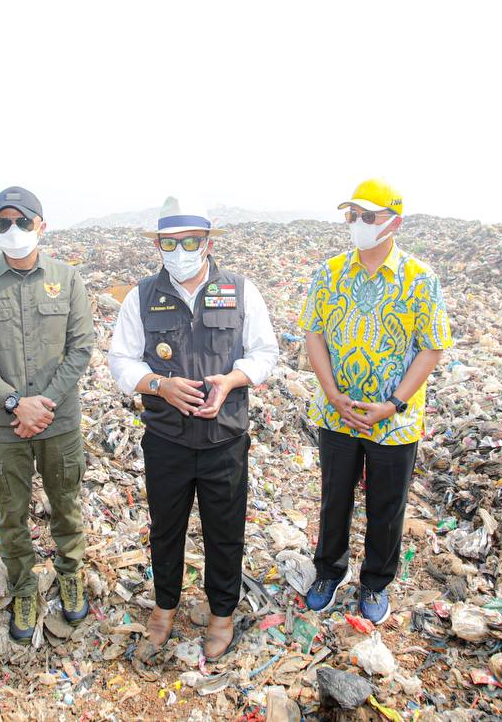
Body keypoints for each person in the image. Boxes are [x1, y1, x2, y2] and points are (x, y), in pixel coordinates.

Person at [108, 197, 278, 661]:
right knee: (166, 528)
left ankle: (221, 615)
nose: (180, 250)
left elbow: (265, 353)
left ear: (206, 243)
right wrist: (159, 385)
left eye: (190, 241)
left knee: (225, 530)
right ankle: (164, 609)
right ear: (158, 245)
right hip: (166, 440)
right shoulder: (142, 296)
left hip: (225, 438)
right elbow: (120, 359)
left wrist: (232, 380)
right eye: (170, 242)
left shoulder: (241, 291)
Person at [298, 178, 452, 624]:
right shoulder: (329, 273)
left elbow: (431, 345)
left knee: (387, 505)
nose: (359, 224)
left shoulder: (419, 278)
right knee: (334, 498)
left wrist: (395, 403)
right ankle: (329, 571)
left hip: (394, 422)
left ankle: (376, 582)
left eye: (369, 216)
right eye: (353, 216)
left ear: (395, 222)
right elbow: (314, 332)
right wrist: (331, 393)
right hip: (338, 414)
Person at [0, 186, 96, 642]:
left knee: (66, 505)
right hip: (4, 425)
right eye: (3, 223)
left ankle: (70, 574)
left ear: (42, 225)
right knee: (11, 513)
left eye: (23, 222)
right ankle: (23, 586)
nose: (14, 231)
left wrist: (43, 404)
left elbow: (81, 349)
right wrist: (16, 403)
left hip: (59, 422)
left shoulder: (67, 278)